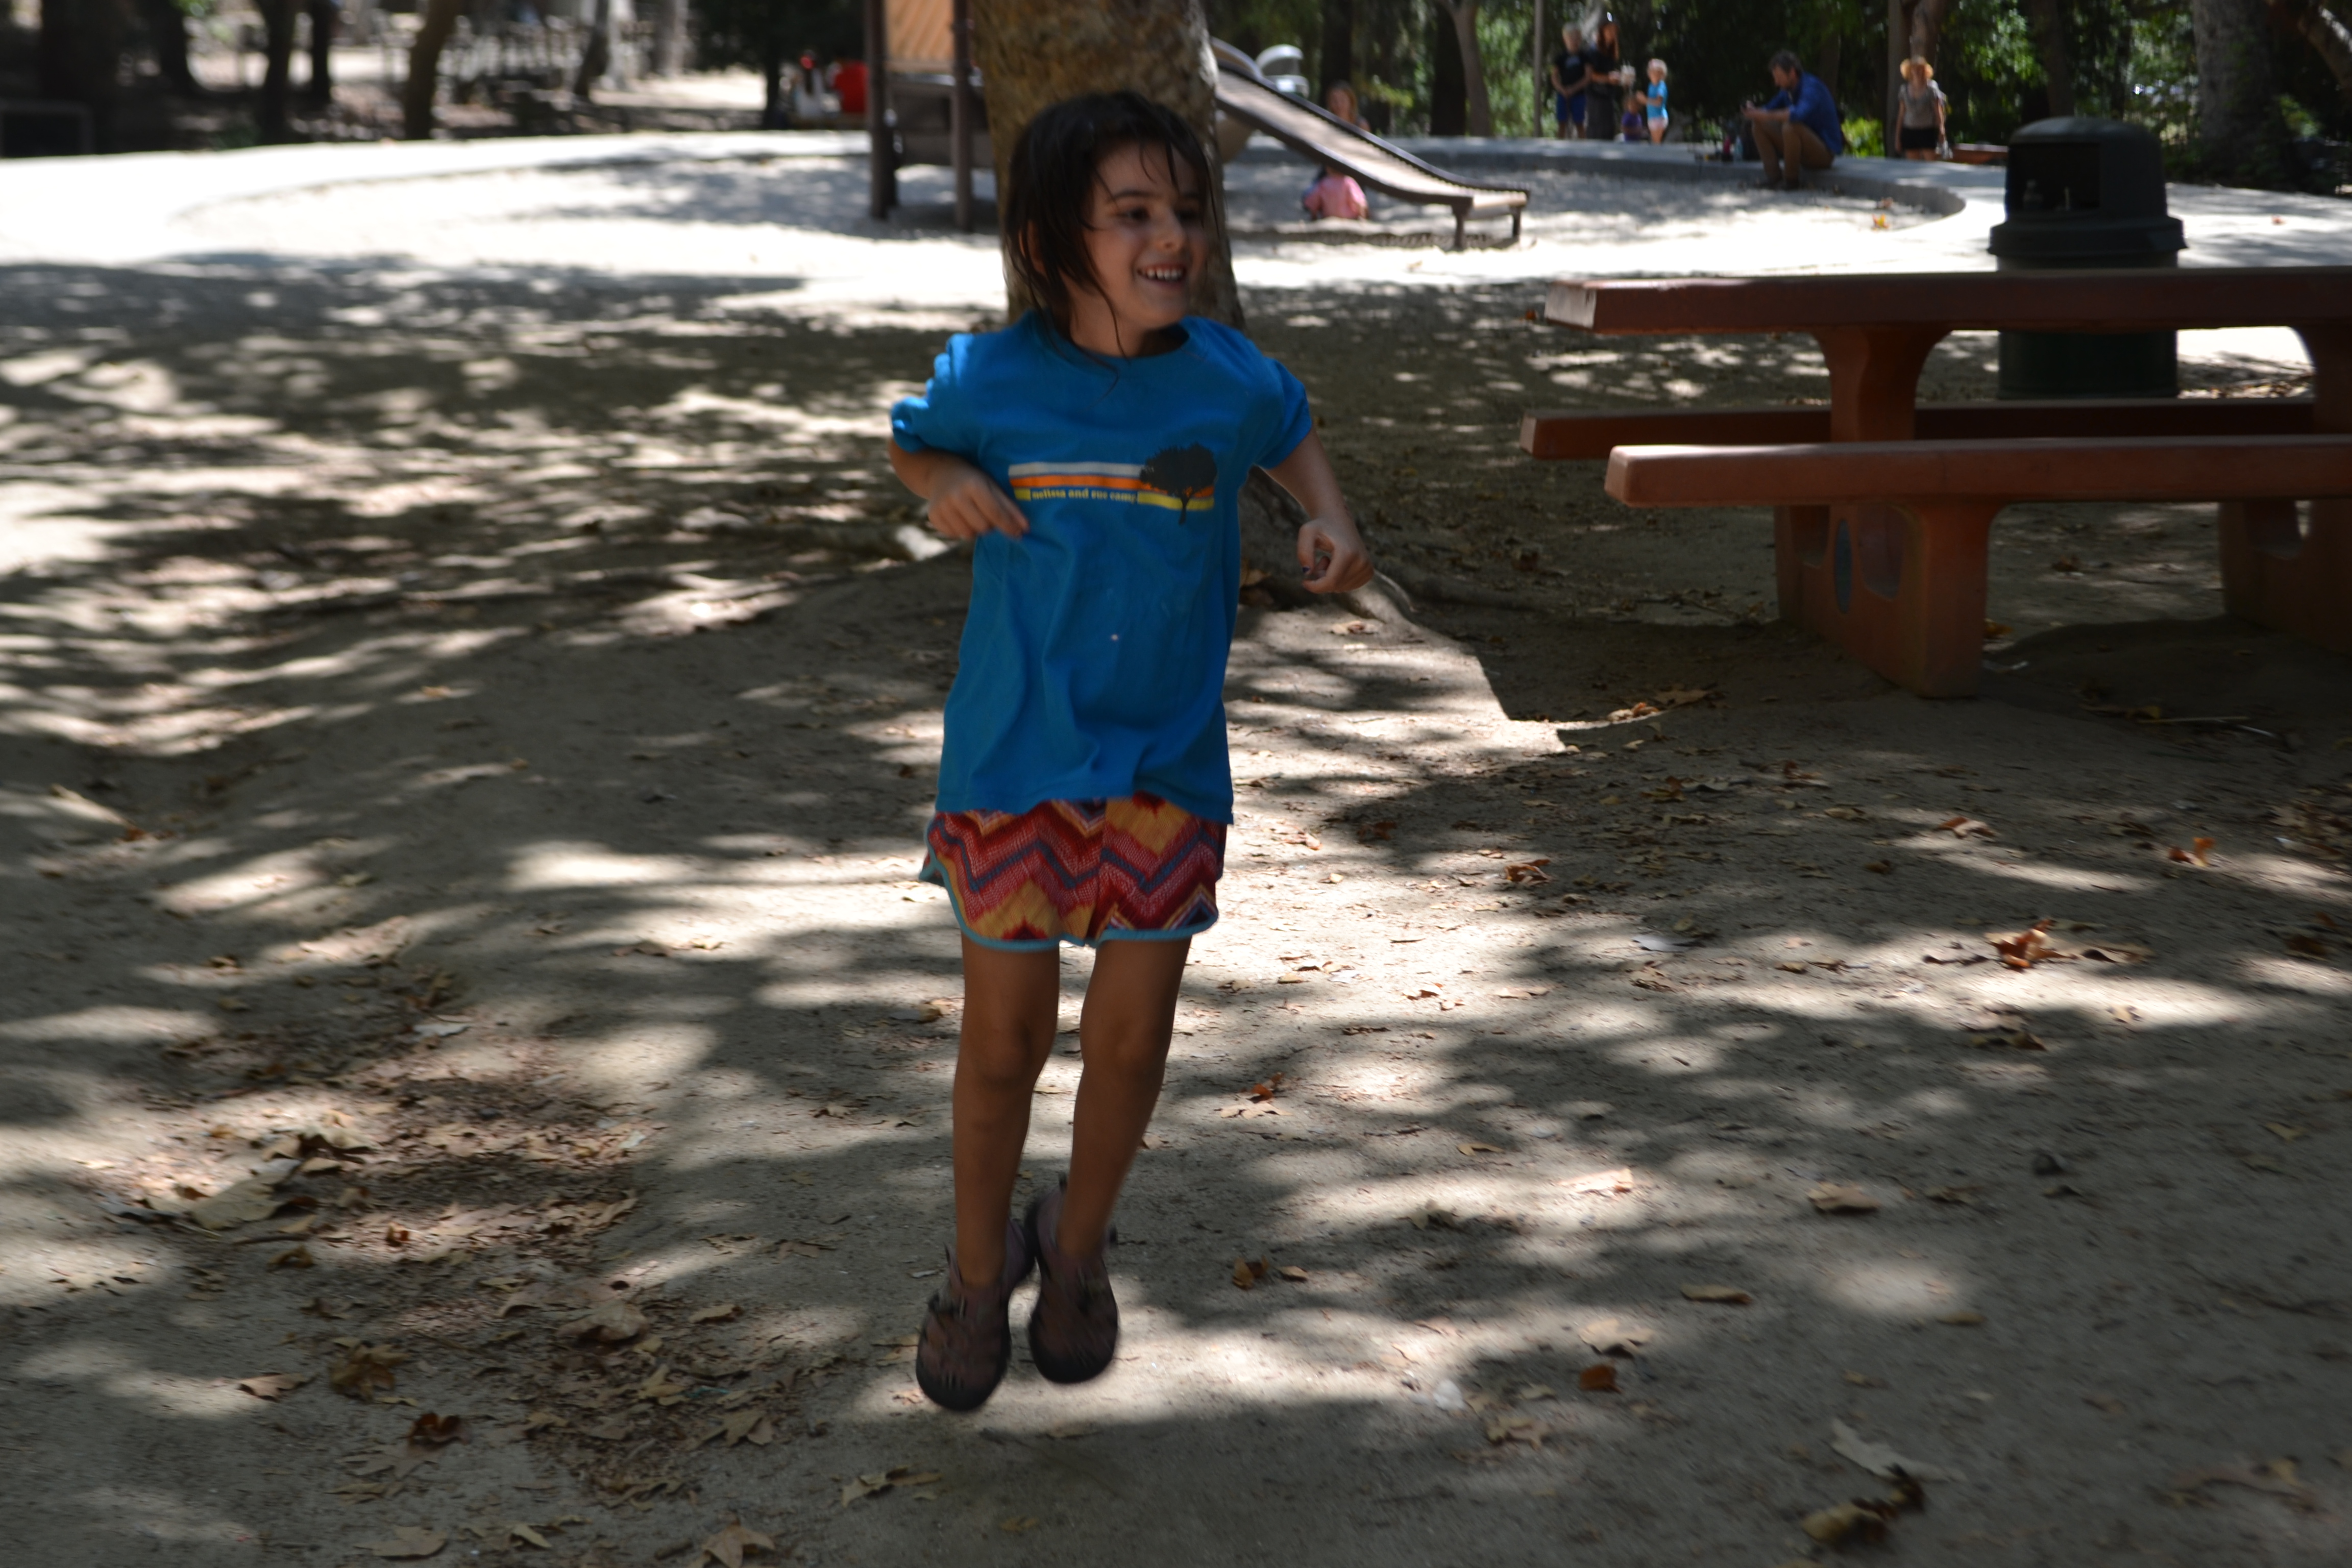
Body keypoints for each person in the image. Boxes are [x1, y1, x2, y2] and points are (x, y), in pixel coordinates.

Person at [886, 91, 1374, 1413]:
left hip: (1168, 765)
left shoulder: (1227, 378)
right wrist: (942, 486)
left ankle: (1078, 1246)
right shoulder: (989, 379)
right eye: (1134, 215)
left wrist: (1331, 522)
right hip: (1012, 764)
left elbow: (1289, 429)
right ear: (1054, 242)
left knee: (1134, 1037)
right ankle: (975, 1273)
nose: (1174, 238)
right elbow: (912, 438)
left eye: (1188, 212)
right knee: (1005, 1043)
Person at [1741, 48, 1842, 190]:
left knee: (1791, 127)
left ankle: (1791, 180)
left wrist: (1765, 115)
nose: (1776, 82)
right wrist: (1753, 111)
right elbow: (1768, 110)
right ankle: (1773, 177)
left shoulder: (1812, 87)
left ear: (1792, 73)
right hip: (1802, 150)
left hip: (1823, 154)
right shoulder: (1786, 91)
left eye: (1779, 77)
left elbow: (1797, 114)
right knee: (1759, 123)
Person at [1896, 56, 1946, 160]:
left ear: (1925, 70)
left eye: (1920, 69)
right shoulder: (1904, 90)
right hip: (1909, 131)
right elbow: (1901, 115)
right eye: (1914, 69)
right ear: (1910, 71)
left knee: (1930, 164)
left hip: (1927, 131)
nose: (1917, 71)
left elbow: (1938, 111)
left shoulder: (1931, 89)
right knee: (1913, 166)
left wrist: (1942, 130)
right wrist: (1898, 138)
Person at [1581, 15, 1622, 142]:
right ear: (1602, 31)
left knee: (1609, 131)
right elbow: (1590, 75)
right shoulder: (1593, 51)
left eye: (1614, 30)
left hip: (1607, 97)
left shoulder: (1610, 52)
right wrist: (1608, 78)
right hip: (1595, 98)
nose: (1612, 33)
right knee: (1597, 133)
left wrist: (1619, 78)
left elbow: (1608, 74)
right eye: (1609, 29)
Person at [1548, 25, 1589, 141]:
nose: (1574, 41)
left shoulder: (1584, 57)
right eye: (1571, 37)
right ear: (1565, 39)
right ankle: (1559, 147)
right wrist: (1562, 90)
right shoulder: (1560, 57)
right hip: (1563, 95)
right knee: (1562, 123)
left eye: (1577, 38)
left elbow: (1588, 76)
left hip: (1579, 95)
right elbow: (1554, 76)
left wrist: (1574, 89)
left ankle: (1583, 148)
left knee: (1580, 123)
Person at [1630, 57, 1670, 144]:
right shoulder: (1651, 86)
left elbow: (1658, 102)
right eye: (1650, 71)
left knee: (1657, 143)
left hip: (1659, 118)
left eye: (1654, 71)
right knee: (1655, 142)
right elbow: (1649, 102)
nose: (1651, 73)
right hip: (1652, 118)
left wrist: (1645, 99)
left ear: (1661, 74)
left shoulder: (1661, 86)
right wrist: (1642, 100)